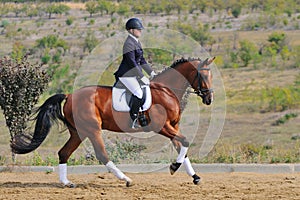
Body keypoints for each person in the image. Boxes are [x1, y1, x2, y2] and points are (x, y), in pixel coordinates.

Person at [114, 18, 156, 129]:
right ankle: (133, 119)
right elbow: (132, 63)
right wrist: (142, 76)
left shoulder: (136, 42)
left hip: (133, 75)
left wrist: (151, 73)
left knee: (145, 89)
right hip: (126, 75)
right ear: (131, 30)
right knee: (138, 93)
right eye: (138, 29)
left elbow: (141, 60)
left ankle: (142, 115)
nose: (140, 31)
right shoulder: (128, 43)